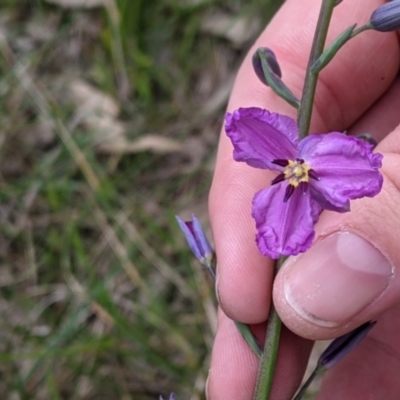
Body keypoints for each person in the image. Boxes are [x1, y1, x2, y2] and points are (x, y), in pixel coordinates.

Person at [207, 0, 400, 398]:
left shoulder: (333, 166)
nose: (296, 172)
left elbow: (365, 171)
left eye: (299, 170)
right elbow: (244, 124)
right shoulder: (275, 167)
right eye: (294, 170)